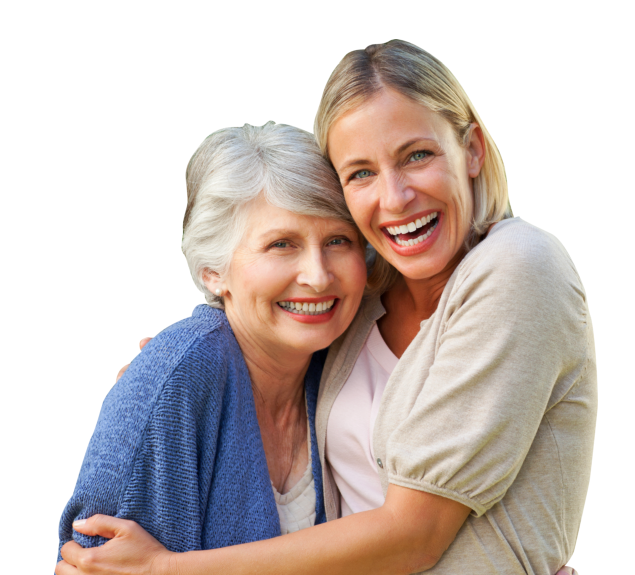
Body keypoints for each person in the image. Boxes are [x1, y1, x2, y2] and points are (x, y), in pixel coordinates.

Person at [57, 41, 594, 575]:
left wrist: (170, 571)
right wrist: (167, 376)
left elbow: (416, 535)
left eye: (417, 155)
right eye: (360, 172)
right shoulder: (366, 303)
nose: (395, 196)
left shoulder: (519, 264)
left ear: (473, 149)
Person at [55, 122, 368, 566]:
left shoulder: (346, 363)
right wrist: (158, 378)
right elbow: (89, 559)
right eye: (281, 244)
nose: (318, 276)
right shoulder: (175, 382)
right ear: (212, 271)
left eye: (339, 240)